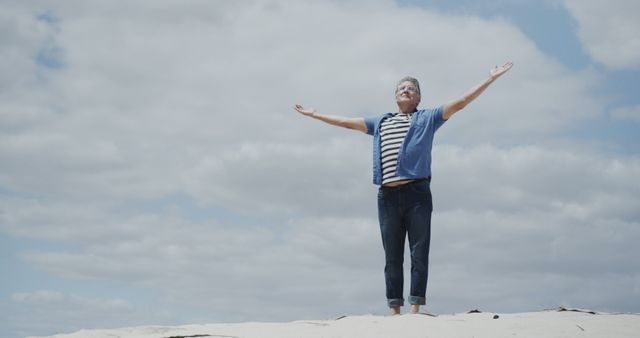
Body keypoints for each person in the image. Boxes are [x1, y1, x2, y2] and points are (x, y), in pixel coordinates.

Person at [293, 62, 513, 315]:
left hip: (417, 193)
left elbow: (462, 101)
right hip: (386, 196)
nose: (406, 90)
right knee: (392, 257)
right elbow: (346, 122)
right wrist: (314, 114)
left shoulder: (428, 118)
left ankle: (415, 310)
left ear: (418, 97)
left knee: (419, 252)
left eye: (412, 88)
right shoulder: (381, 122)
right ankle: (394, 311)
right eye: (402, 88)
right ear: (395, 96)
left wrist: (490, 78)